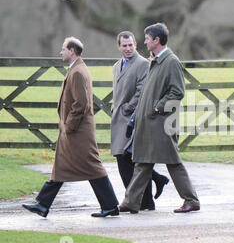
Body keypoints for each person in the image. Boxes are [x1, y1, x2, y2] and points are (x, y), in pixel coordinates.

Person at [22, 37, 119, 218]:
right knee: (61, 165)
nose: (61, 52)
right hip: (74, 129)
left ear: (72, 51)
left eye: (63, 49)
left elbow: (81, 104)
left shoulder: (78, 72)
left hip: (79, 130)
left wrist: (69, 126)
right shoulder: (76, 69)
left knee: (92, 165)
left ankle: (111, 206)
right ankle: (42, 204)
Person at [119, 23, 200, 213]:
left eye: (147, 38)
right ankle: (130, 202)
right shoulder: (156, 60)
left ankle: (191, 200)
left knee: (173, 162)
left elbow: (177, 92)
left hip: (163, 123)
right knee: (143, 162)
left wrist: (156, 108)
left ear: (156, 40)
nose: (145, 41)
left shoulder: (171, 61)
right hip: (150, 123)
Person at [111, 31, 169, 211]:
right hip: (118, 119)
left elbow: (142, 90)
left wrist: (129, 107)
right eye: (124, 45)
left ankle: (140, 202)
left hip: (134, 118)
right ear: (119, 46)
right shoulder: (116, 66)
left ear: (135, 44)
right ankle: (154, 186)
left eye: (131, 45)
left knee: (130, 160)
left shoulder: (143, 64)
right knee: (127, 160)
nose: (128, 48)